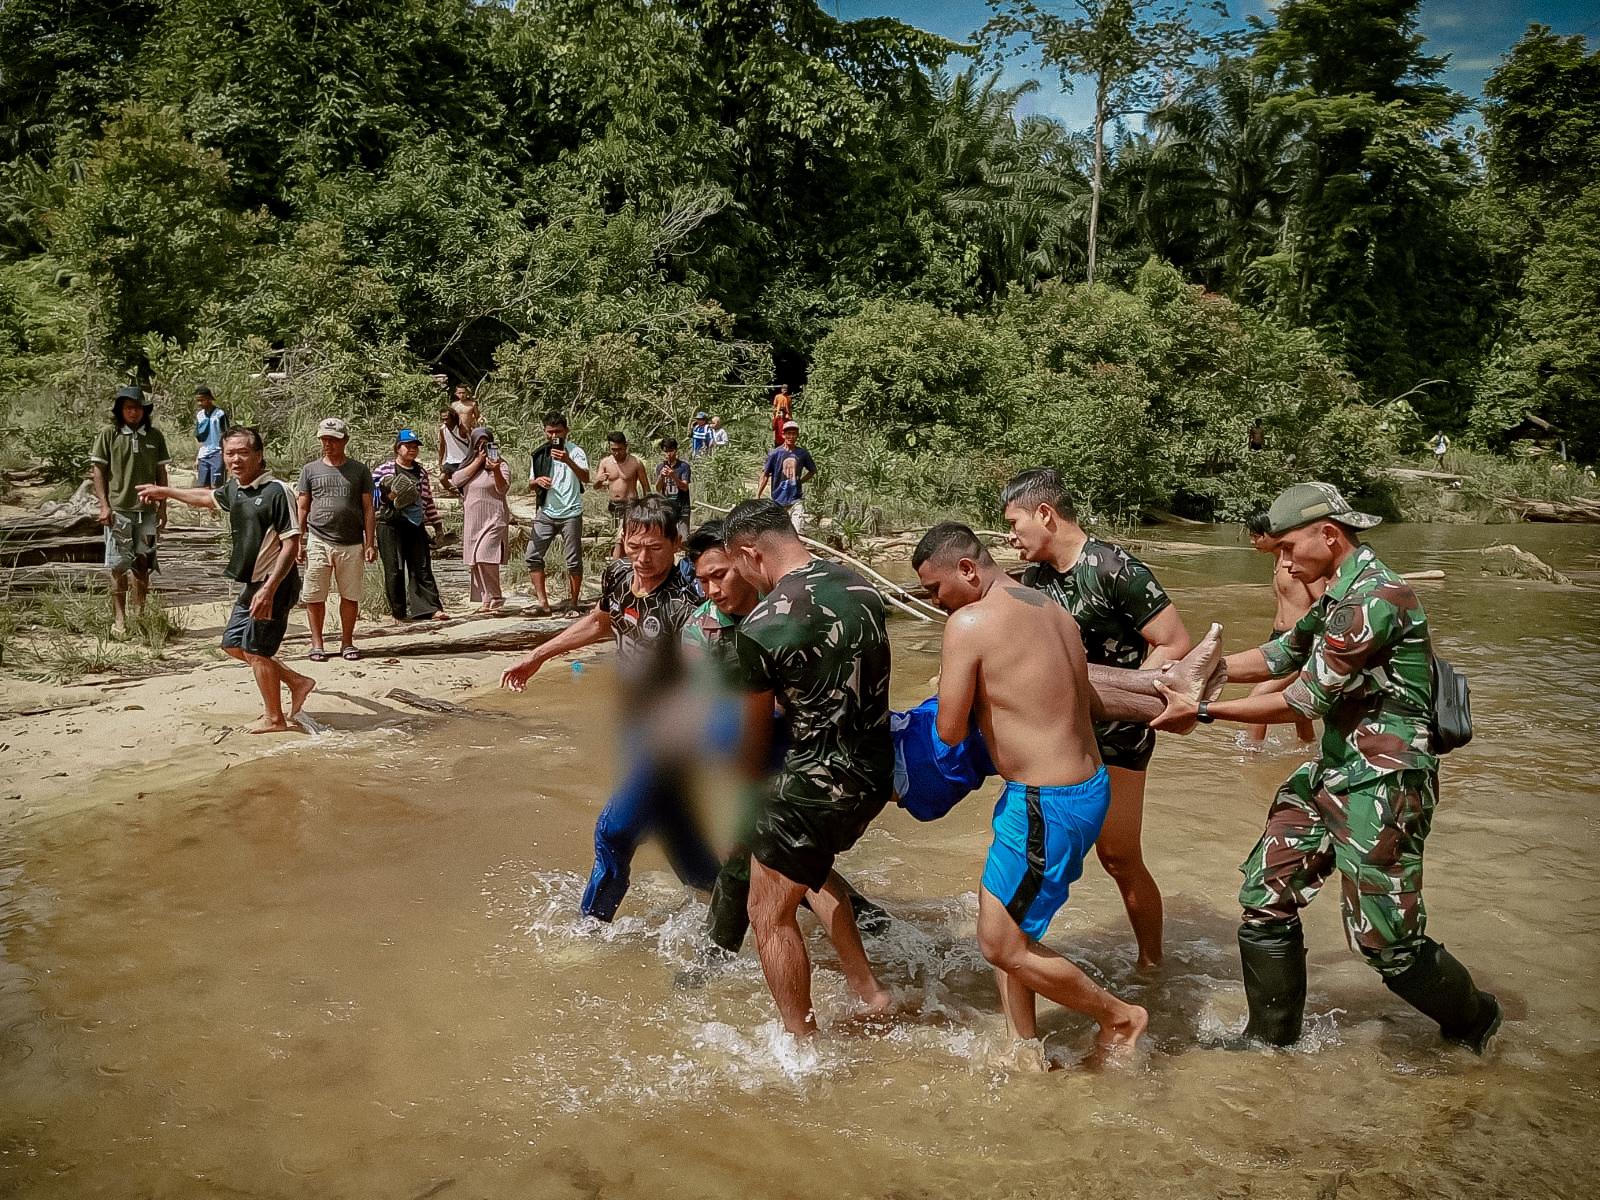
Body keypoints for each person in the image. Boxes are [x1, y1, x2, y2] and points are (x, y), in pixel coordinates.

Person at [1152, 482, 1501, 1054]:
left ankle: (1476, 1023)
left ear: (1329, 535)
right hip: (1335, 771)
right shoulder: (1339, 591)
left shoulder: (1374, 599)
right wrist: (1205, 670)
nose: (1283, 561)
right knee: (1266, 895)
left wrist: (1205, 710)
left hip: (1384, 783)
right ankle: (1270, 1044)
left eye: (1289, 548)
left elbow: (1302, 700)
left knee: (1388, 946)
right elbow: (1284, 654)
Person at [913, 524, 1150, 1059]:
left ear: (967, 569)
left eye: (935, 589)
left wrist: (948, 689)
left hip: (1047, 802)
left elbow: (949, 730)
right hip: (1079, 788)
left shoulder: (968, 623)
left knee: (998, 942)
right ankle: (1023, 1046)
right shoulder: (1050, 606)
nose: (937, 600)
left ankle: (1120, 1018)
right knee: (1012, 926)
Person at [1002, 468, 1192, 970]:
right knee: (1035, 853)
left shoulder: (1114, 569)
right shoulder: (1037, 577)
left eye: (1015, 522)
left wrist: (1124, 696)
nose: (1010, 536)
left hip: (1119, 733)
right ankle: (1019, 950)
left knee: (1119, 857)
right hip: (1064, 733)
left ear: (1045, 514)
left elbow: (1174, 642)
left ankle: (1152, 964)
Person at [721, 498, 893, 1038]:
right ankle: (871, 994)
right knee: (811, 875)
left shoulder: (761, 625)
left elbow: (751, 744)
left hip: (815, 784)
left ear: (751, 553)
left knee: (766, 912)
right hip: (874, 772)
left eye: (738, 565)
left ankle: (802, 1045)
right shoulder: (861, 586)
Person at [501, 497, 719, 920]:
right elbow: (603, 620)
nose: (643, 558)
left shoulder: (686, 603)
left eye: (655, 548)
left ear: (677, 544)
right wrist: (539, 655)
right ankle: (756, 902)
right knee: (679, 836)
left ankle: (591, 930)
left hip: (670, 735)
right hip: (635, 725)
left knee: (614, 832)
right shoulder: (619, 574)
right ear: (623, 539)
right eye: (635, 545)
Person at [137, 428, 315, 734]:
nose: (235, 459)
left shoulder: (276, 491)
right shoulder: (236, 489)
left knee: (257, 651)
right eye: (229, 453)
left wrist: (269, 590)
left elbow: (291, 543)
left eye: (243, 452)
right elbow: (207, 498)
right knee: (233, 644)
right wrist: (165, 492)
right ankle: (296, 681)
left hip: (276, 583)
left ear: (259, 455)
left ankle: (274, 718)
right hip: (253, 584)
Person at [89, 385, 170, 637]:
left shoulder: (154, 436)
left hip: (146, 511)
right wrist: (104, 505)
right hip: (119, 510)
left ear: (143, 411)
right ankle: (119, 619)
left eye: (136, 408)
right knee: (117, 565)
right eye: (128, 408)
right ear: (120, 411)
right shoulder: (109, 434)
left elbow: (161, 473)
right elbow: (98, 471)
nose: (133, 413)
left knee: (143, 564)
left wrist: (163, 507)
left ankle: (141, 615)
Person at [295, 417, 376, 662]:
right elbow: (302, 506)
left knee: (350, 595)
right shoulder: (310, 470)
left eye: (333, 439)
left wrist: (370, 543)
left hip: (351, 542)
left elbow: (368, 509)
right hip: (318, 539)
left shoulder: (359, 470)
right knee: (315, 595)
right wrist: (299, 540)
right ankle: (317, 643)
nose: (328, 444)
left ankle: (347, 641)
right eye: (324, 439)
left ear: (345, 441)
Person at [1241, 510, 1320, 748]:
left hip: (1301, 643)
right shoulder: (1278, 561)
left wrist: (1313, 645)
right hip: (1278, 639)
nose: (1252, 541)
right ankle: (1308, 749)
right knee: (1299, 703)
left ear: (1274, 533)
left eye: (1257, 535)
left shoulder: (1301, 562)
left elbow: (1324, 603)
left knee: (1259, 697)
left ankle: (1251, 757)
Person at [372, 430, 449, 623]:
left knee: (421, 567)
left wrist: (437, 525)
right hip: (389, 524)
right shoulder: (384, 470)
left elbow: (427, 500)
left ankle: (430, 608)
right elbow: (371, 499)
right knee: (394, 568)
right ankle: (399, 613)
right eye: (408, 446)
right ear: (398, 448)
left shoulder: (421, 472)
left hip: (415, 524)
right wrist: (387, 495)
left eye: (415, 447)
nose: (412, 450)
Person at [526, 411, 590, 616]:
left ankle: (573, 602)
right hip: (546, 511)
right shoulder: (539, 454)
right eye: (550, 432)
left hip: (570, 512)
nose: (554, 436)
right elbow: (530, 483)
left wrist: (568, 460)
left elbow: (586, 477)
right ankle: (543, 603)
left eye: (558, 432)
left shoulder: (576, 452)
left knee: (573, 559)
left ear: (566, 431)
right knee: (532, 555)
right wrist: (537, 482)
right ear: (545, 432)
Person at [455, 425, 511, 614]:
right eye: (478, 444)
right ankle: (486, 599)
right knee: (476, 559)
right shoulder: (468, 464)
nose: (482, 448)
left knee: (485, 555)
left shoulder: (501, 464)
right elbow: (457, 480)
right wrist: (478, 461)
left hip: (494, 517)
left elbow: (502, 489)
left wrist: (494, 470)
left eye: (486, 444)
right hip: (474, 520)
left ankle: (496, 596)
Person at [591, 432, 649, 557]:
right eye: (613, 450)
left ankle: (616, 565)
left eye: (619, 449)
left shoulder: (635, 463)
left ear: (626, 446)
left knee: (621, 536)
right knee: (617, 537)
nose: (616, 453)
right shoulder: (605, 462)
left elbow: (646, 487)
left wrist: (647, 507)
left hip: (631, 505)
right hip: (613, 506)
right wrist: (599, 480)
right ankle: (622, 564)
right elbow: (595, 486)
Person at [755, 421, 815, 535]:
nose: (791, 437)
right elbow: (765, 475)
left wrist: (801, 481)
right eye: (788, 434)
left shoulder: (802, 454)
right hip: (778, 499)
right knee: (779, 533)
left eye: (794, 434)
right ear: (783, 435)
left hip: (796, 498)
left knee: (796, 532)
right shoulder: (775, 454)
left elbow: (812, 471)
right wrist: (758, 494)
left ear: (797, 436)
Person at [655, 437, 691, 539]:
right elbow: (658, 488)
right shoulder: (660, 467)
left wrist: (674, 476)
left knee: (684, 538)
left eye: (671, 451)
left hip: (682, 506)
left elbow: (684, 487)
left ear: (675, 451)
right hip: (667, 507)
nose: (668, 454)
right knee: (667, 537)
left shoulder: (684, 467)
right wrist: (661, 477)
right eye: (665, 452)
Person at [193, 385, 229, 486]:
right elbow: (198, 438)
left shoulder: (220, 414)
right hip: (203, 455)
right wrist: (197, 457)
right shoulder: (200, 415)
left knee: (217, 485)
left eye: (202, 400)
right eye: (198, 400)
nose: (199, 403)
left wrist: (225, 454)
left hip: (217, 453)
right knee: (202, 486)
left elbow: (226, 435)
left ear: (209, 399)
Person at [437, 407, 470, 492]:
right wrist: (440, 462)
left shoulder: (462, 429)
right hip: (451, 460)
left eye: (447, 419)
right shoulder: (443, 429)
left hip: (464, 460)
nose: (445, 421)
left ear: (452, 418)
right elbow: (442, 446)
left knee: (464, 483)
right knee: (442, 478)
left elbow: (472, 443)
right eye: (443, 419)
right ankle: (455, 492)